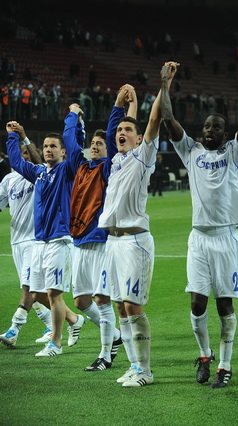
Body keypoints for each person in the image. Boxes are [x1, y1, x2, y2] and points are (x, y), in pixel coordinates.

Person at [160, 60, 238, 389]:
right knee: (196, 302)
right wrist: (165, 84)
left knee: (224, 305)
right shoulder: (190, 151)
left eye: (216, 127)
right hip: (199, 239)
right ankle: (205, 356)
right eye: (206, 126)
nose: (210, 131)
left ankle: (226, 365)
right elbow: (167, 118)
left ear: (225, 133)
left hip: (225, 238)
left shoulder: (234, 152)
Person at [98, 67, 166, 387]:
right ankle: (133, 365)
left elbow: (152, 123)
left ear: (139, 139)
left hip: (134, 242)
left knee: (132, 305)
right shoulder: (116, 161)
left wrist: (163, 84)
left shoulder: (142, 158)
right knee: (119, 306)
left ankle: (145, 371)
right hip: (112, 242)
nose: (121, 132)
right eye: (119, 130)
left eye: (128, 130)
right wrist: (128, 105)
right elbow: (126, 126)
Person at [65, 85, 138, 372]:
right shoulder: (80, 167)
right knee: (81, 301)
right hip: (78, 241)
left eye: (100, 143)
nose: (95, 146)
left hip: (100, 241)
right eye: (92, 143)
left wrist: (118, 106)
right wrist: (73, 116)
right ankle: (116, 336)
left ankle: (105, 355)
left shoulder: (108, 168)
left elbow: (111, 134)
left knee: (102, 299)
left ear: (108, 149)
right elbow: (70, 142)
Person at [6, 124, 85, 357]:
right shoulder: (39, 173)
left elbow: (75, 148)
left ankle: (55, 343)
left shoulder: (67, 171)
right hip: (39, 242)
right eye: (46, 146)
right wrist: (13, 136)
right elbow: (16, 162)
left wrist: (73, 119)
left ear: (63, 151)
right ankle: (74, 320)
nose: (49, 149)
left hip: (60, 241)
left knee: (53, 293)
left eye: (53, 146)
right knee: (36, 292)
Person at [0, 129, 54, 348]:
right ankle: (59, 323)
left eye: (27, 153)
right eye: (21, 153)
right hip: (17, 241)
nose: (24, 156)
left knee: (30, 287)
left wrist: (22, 138)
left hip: (35, 241)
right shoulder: (8, 180)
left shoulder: (39, 176)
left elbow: (41, 163)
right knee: (36, 290)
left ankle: (14, 329)